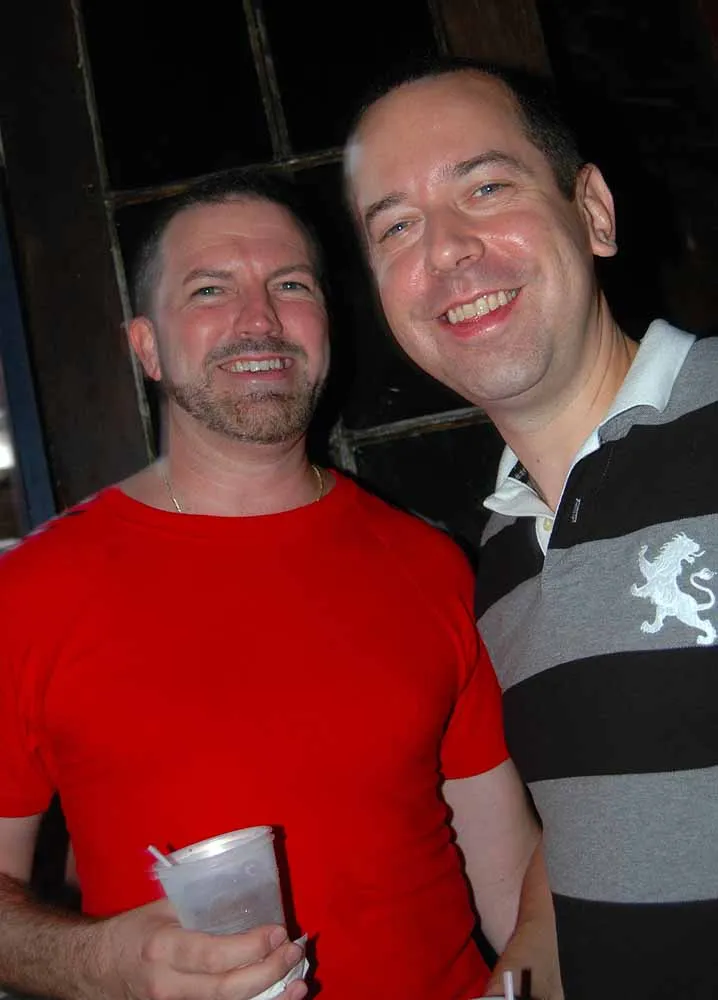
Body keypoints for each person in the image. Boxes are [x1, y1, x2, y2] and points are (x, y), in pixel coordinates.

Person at [0, 170, 559, 1000]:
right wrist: (107, 965)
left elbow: (509, 874)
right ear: (147, 347)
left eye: (291, 286)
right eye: (210, 290)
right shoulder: (30, 592)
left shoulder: (428, 564)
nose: (258, 319)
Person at [344, 60, 718, 1000]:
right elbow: (593, 830)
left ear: (593, 212)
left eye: (486, 187)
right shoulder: (502, 562)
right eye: (397, 227)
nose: (446, 250)